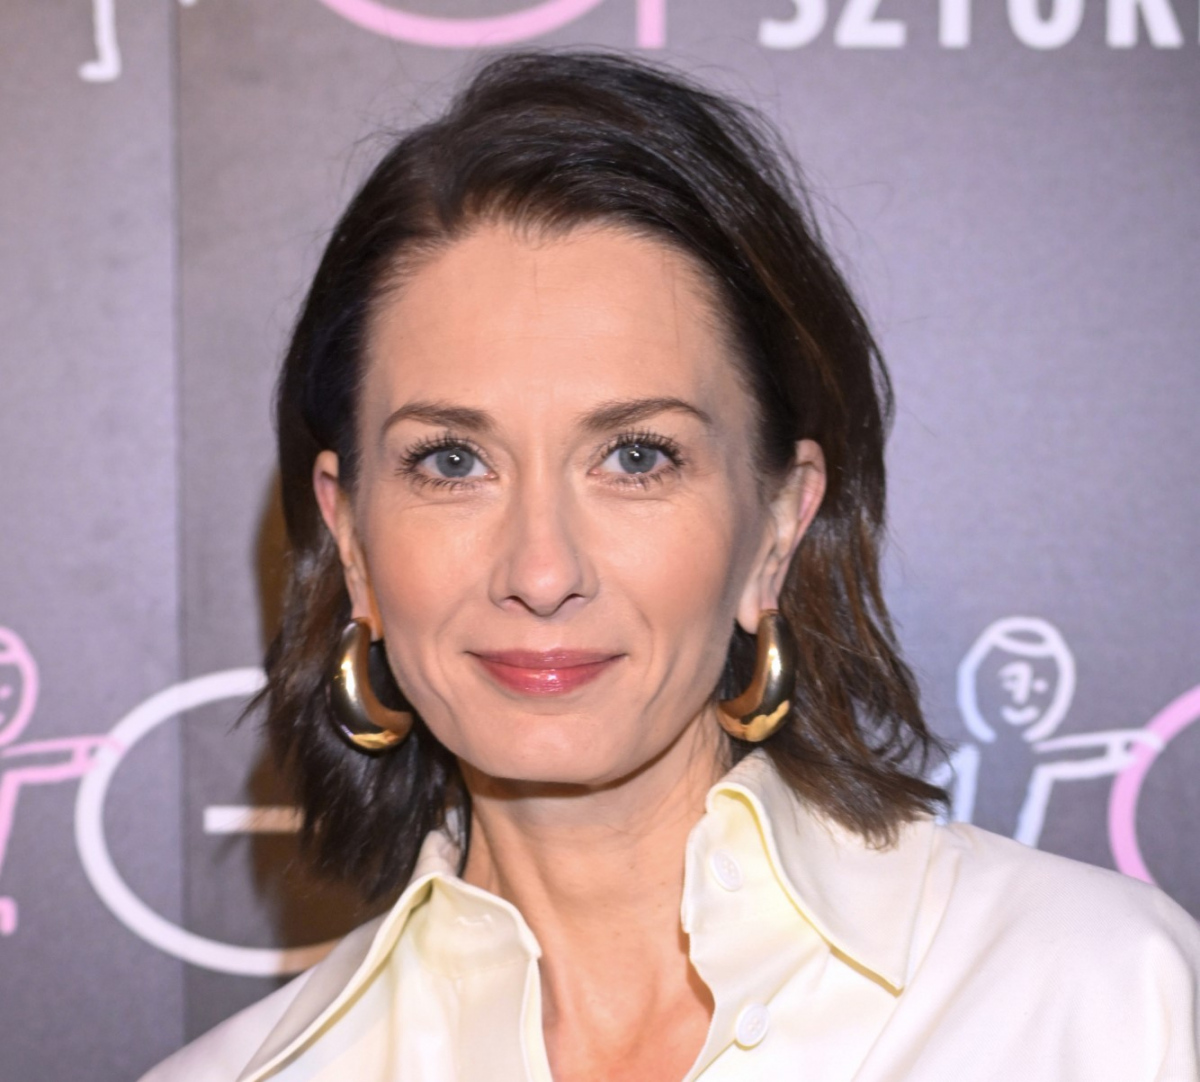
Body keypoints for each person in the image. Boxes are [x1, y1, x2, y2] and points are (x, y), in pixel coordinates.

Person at [142, 50, 1200, 1082]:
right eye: (453, 460)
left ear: (777, 525)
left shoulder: (1103, 1000)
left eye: (636, 456)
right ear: (352, 542)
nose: (541, 571)